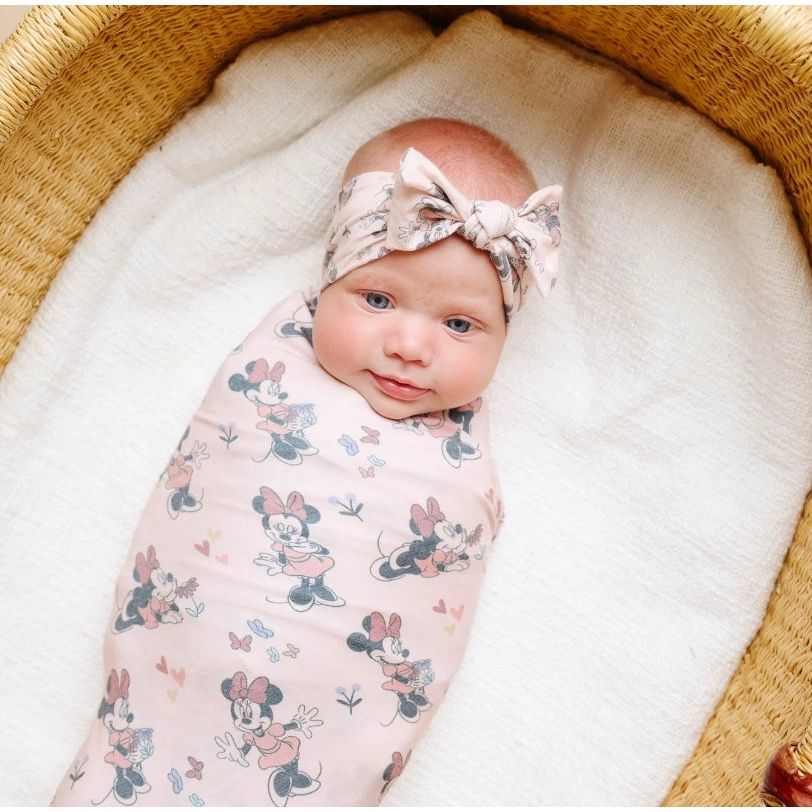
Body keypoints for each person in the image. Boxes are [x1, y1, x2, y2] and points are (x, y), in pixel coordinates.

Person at [50, 117, 561, 807]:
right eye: (378, 300)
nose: (411, 344)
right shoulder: (278, 358)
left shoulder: (463, 447)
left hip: (320, 753)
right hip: (164, 704)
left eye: (460, 324)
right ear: (329, 279)